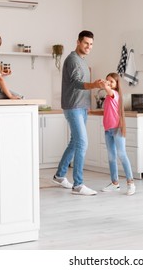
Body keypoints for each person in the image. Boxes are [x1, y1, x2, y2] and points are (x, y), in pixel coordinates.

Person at [52, 30, 107, 196]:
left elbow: (82, 86)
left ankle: (60, 175)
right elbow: (76, 84)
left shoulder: (83, 61)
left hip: (81, 107)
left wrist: (87, 105)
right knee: (82, 143)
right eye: (86, 43)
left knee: (75, 142)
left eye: (91, 44)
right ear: (78, 42)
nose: (88, 47)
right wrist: (95, 85)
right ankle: (78, 184)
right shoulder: (72, 60)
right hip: (73, 106)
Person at [100, 72, 136, 196]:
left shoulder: (114, 94)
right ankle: (115, 183)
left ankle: (130, 182)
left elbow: (108, 89)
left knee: (121, 154)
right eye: (107, 80)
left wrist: (105, 85)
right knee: (111, 157)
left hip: (117, 129)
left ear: (116, 84)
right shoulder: (108, 96)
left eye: (111, 81)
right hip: (108, 130)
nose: (109, 83)